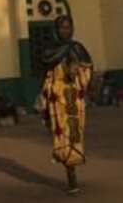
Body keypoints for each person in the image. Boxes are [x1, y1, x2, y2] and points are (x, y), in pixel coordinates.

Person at [40, 15, 93, 194]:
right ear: (56, 30)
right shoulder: (49, 51)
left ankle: (72, 177)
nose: (66, 31)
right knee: (62, 136)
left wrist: (78, 68)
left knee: (74, 135)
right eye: (62, 28)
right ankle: (70, 175)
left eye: (69, 27)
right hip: (57, 102)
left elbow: (88, 69)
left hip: (74, 101)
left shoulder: (77, 48)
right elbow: (45, 73)